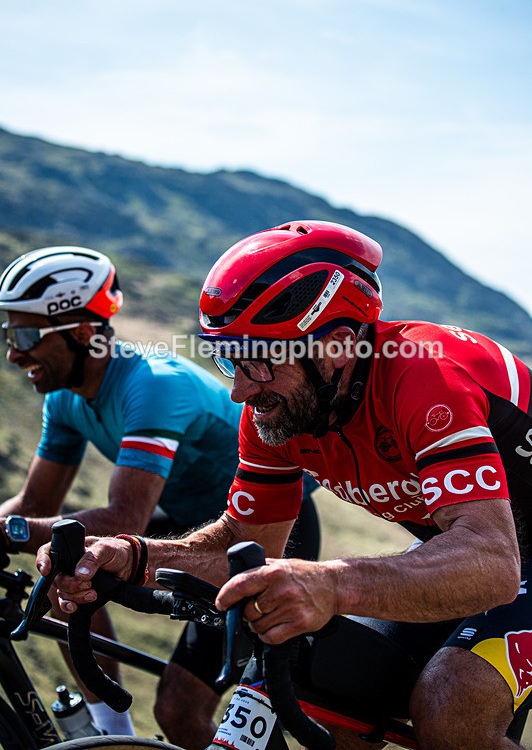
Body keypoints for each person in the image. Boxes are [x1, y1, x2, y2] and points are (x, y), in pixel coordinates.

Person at [38, 220, 532, 750]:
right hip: (470, 544)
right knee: (333, 687)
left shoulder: (423, 376)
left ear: (337, 347)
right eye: (229, 359)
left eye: (261, 363)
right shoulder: (276, 413)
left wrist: (332, 584)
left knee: (448, 707)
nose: (240, 390)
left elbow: (491, 564)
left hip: (492, 550)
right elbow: (241, 545)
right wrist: (137, 556)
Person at [0, 244, 321, 747]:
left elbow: (125, 514)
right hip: (190, 524)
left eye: (23, 335)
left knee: (178, 710)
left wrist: (11, 532)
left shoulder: (152, 384)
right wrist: (13, 527)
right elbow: (33, 507)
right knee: (68, 560)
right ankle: (112, 732)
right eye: (7, 335)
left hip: (262, 532)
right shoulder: (64, 397)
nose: (13, 353)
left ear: (82, 331)